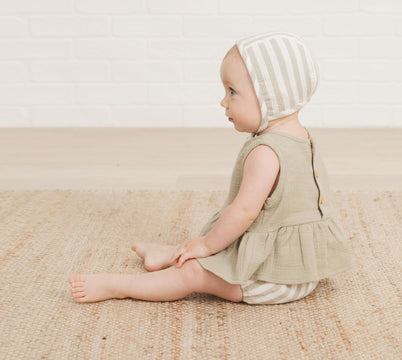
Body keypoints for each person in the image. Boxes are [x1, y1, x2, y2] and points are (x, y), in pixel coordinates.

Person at [69, 32, 353, 305]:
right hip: (301, 265)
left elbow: (243, 213)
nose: (223, 101)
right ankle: (166, 254)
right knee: (218, 242)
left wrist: (205, 246)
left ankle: (118, 286)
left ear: (270, 98)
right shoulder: (301, 136)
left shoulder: (266, 153)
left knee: (193, 272)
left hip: (277, 282)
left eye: (232, 92)